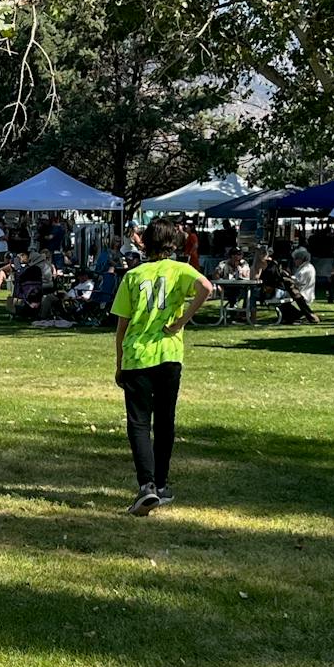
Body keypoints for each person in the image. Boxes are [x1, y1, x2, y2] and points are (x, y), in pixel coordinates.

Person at [111, 217, 214, 516]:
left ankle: (147, 486)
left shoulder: (134, 276)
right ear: (176, 243)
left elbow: (122, 325)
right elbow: (206, 287)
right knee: (165, 420)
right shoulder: (181, 270)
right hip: (169, 355)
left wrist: (119, 363)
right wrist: (182, 321)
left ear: (146, 243)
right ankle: (163, 483)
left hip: (138, 356)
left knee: (139, 423)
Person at [286, 248, 322, 324]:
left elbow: (297, 281)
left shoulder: (306, 269)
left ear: (301, 259)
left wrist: (287, 276)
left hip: (304, 294)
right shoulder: (305, 267)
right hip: (304, 293)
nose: (294, 261)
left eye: (296, 259)